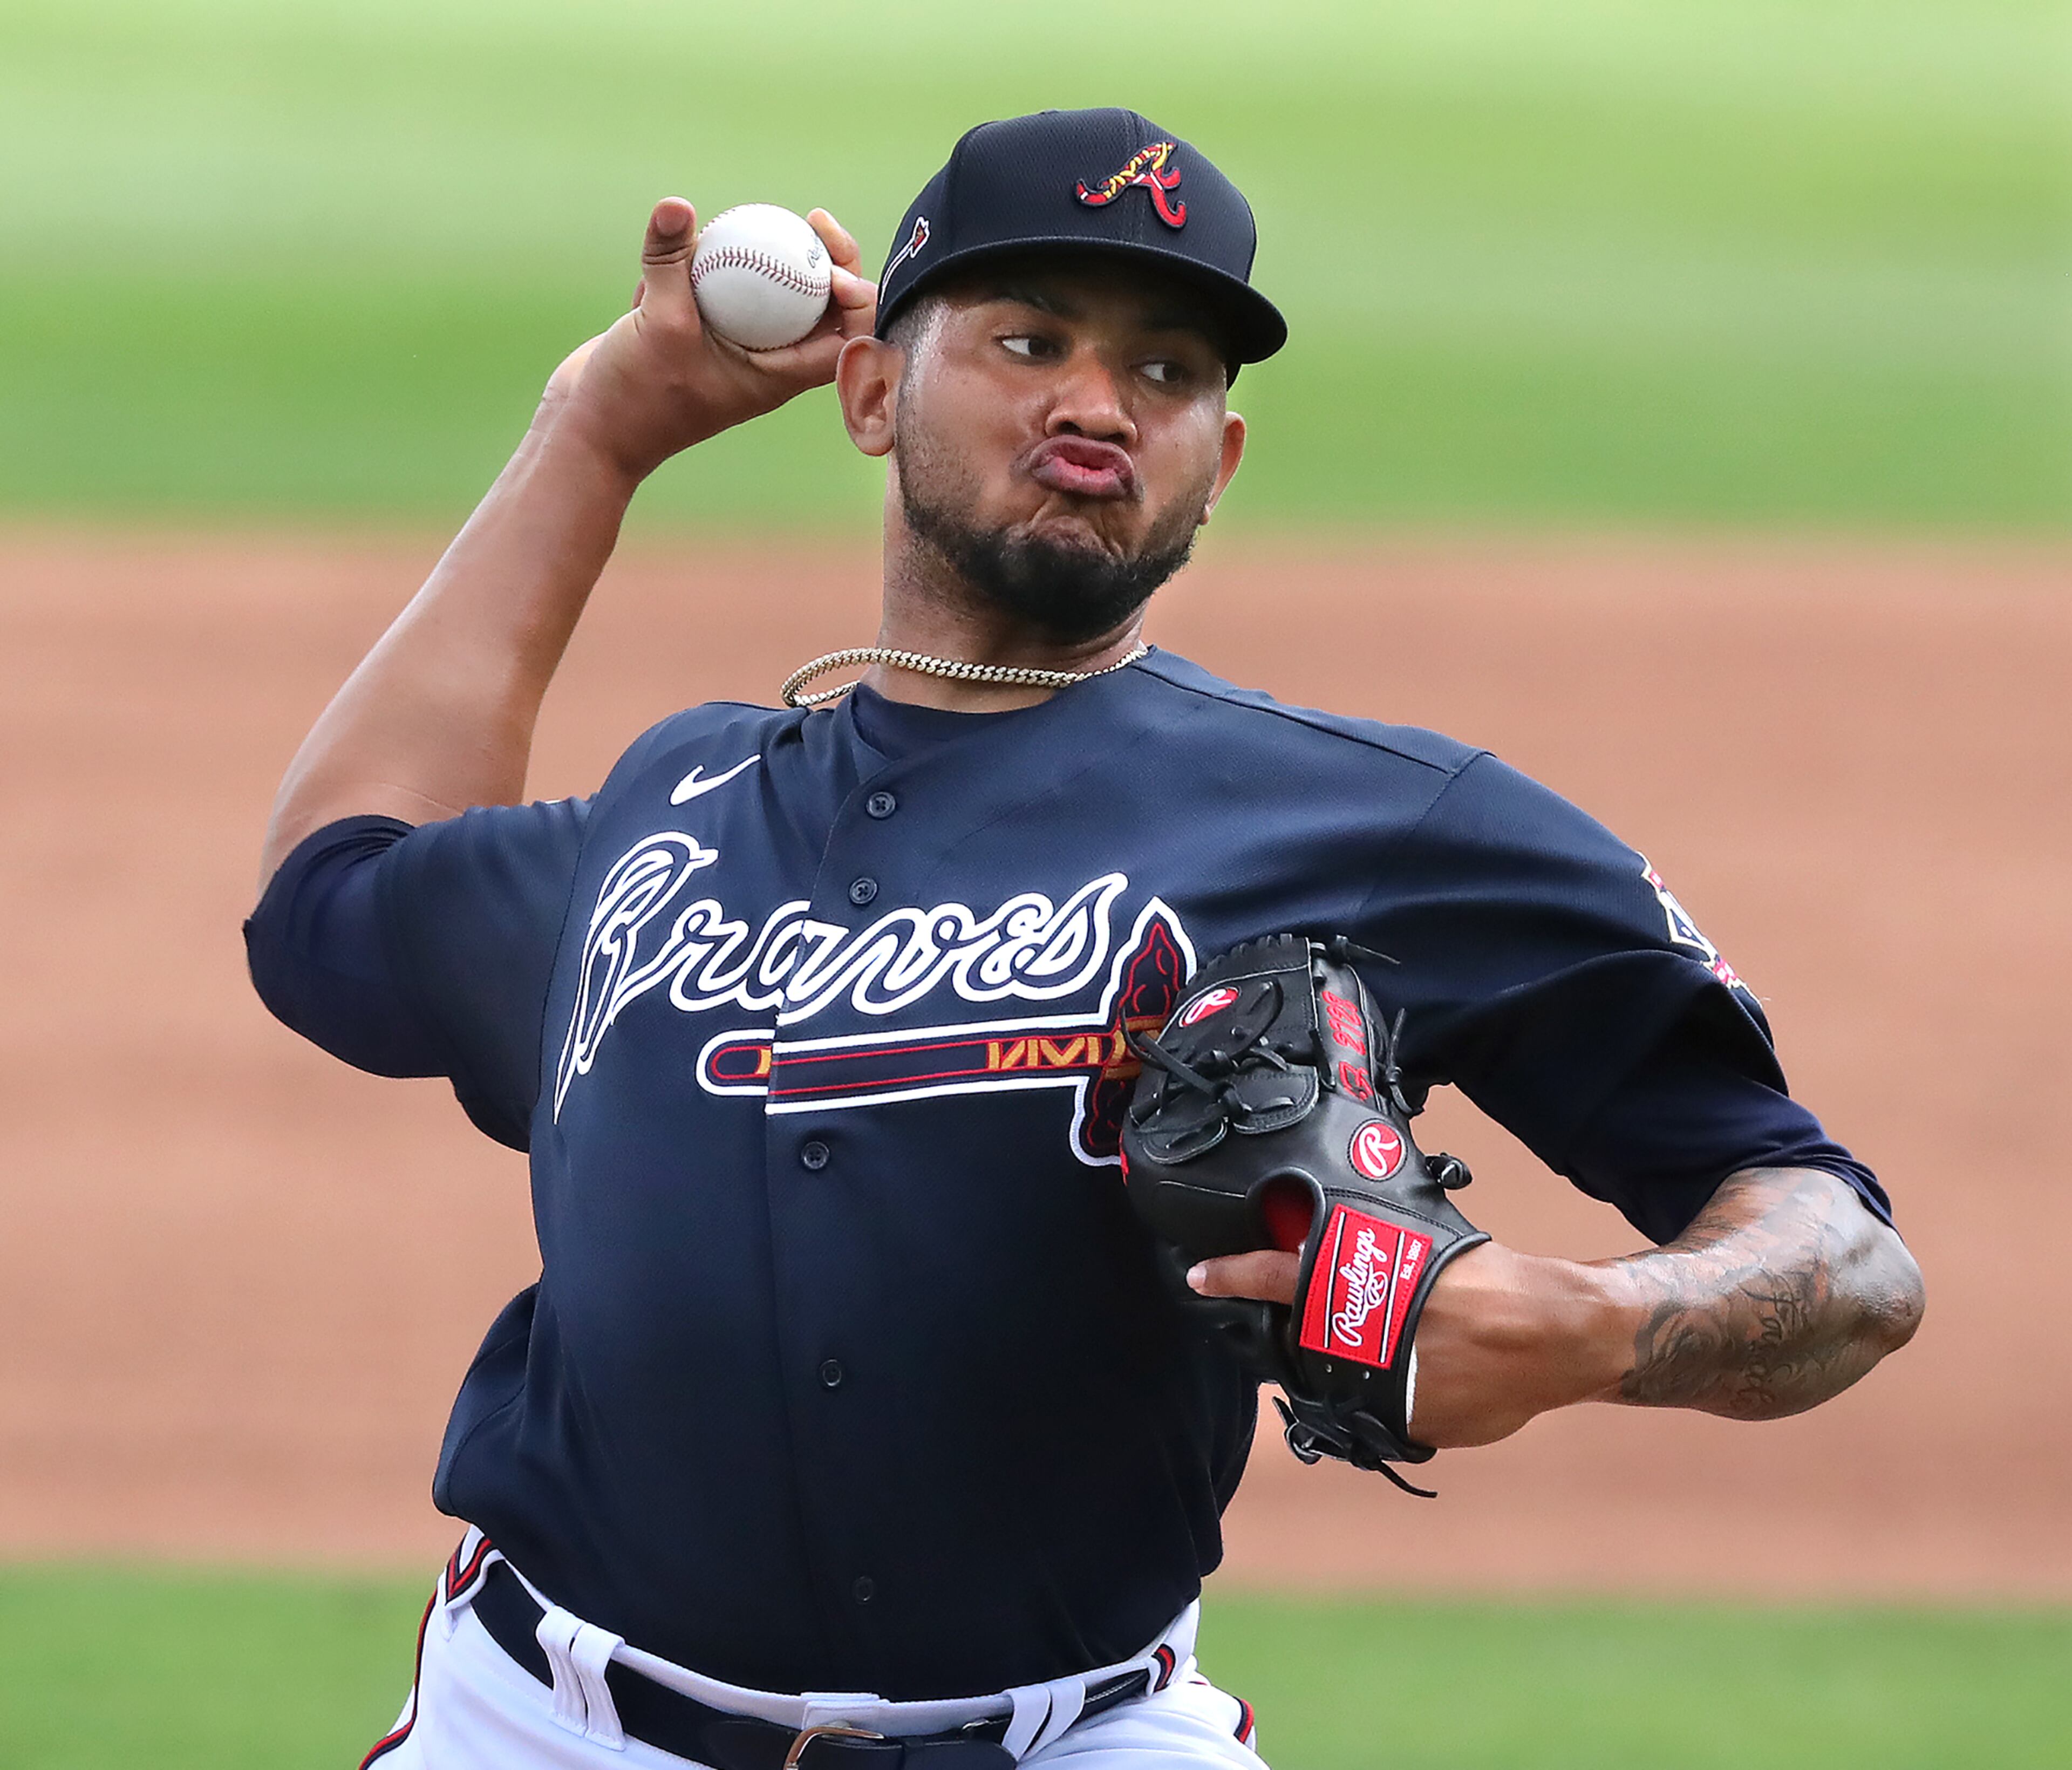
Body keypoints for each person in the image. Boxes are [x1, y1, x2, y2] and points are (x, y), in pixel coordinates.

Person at [245, 109, 1924, 1770]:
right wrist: (596, 429)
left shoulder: (1374, 824)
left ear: (1223, 462)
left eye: (1169, 372)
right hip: (544, 1727)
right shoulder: (677, 812)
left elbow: (1845, 1254)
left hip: (1080, 1741)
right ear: (874, 391)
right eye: (1028, 339)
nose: (1098, 404)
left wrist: (1595, 1326)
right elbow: (333, 908)